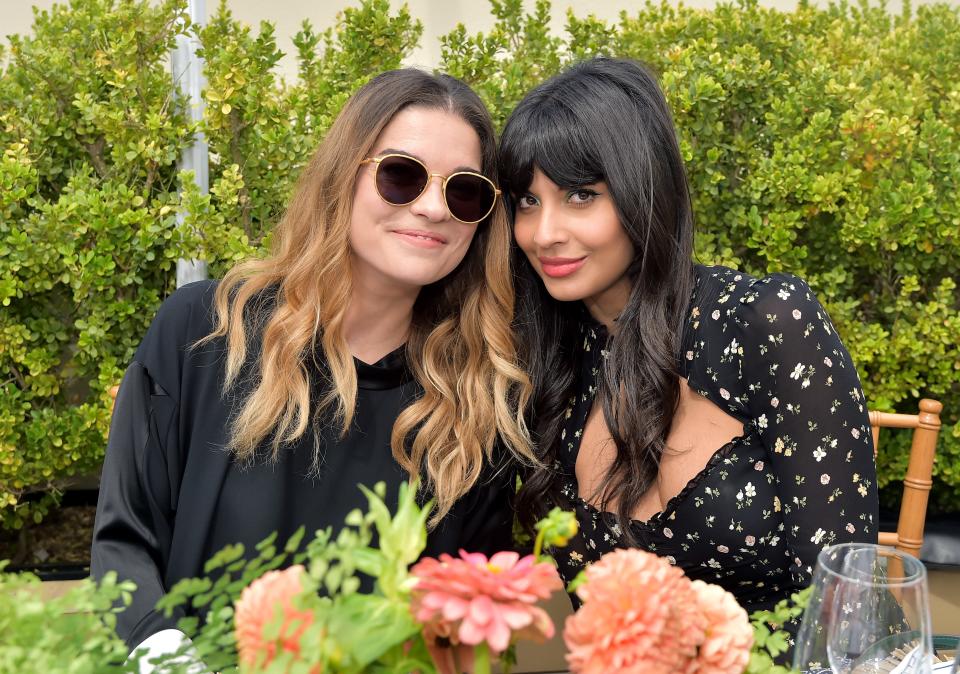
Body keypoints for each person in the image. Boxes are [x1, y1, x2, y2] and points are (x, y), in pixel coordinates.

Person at [92, 68, 535, 666]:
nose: (434, 209)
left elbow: (466, 628)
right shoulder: (204, 333)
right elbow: (126, 544)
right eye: (400, 175)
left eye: (465, 192)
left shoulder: (477, 402)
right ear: (341, 178)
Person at [499, 58, 879, 632]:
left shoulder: (763, 322)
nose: (544, 232)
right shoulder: (544, 359)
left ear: (640, 190)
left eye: (580, 195)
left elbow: (846, 607)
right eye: (527, 201)